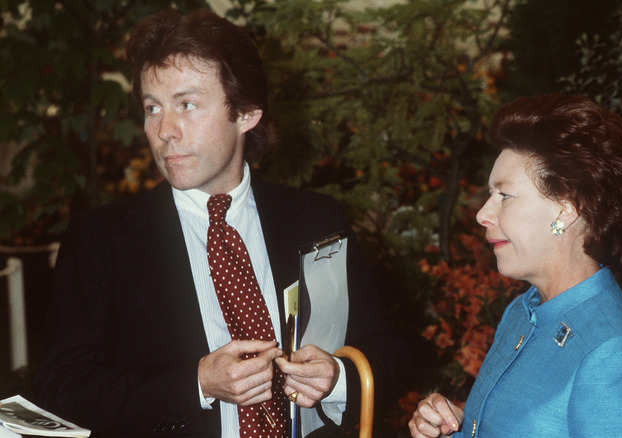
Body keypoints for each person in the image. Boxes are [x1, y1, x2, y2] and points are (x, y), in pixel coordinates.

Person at [33, 9, 407, 438]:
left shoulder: (316, 218)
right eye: (152, 108)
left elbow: (387, 353)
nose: (165, 130)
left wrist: (337, 377)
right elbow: (60, 390)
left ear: (246, 114)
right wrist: (197, 383)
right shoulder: (102, 240)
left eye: (187, 105)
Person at [409, 94, 622, 437]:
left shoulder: (613, 358)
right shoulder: (524, 310)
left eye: (504, 195)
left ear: (566, 208)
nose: (482, 214)